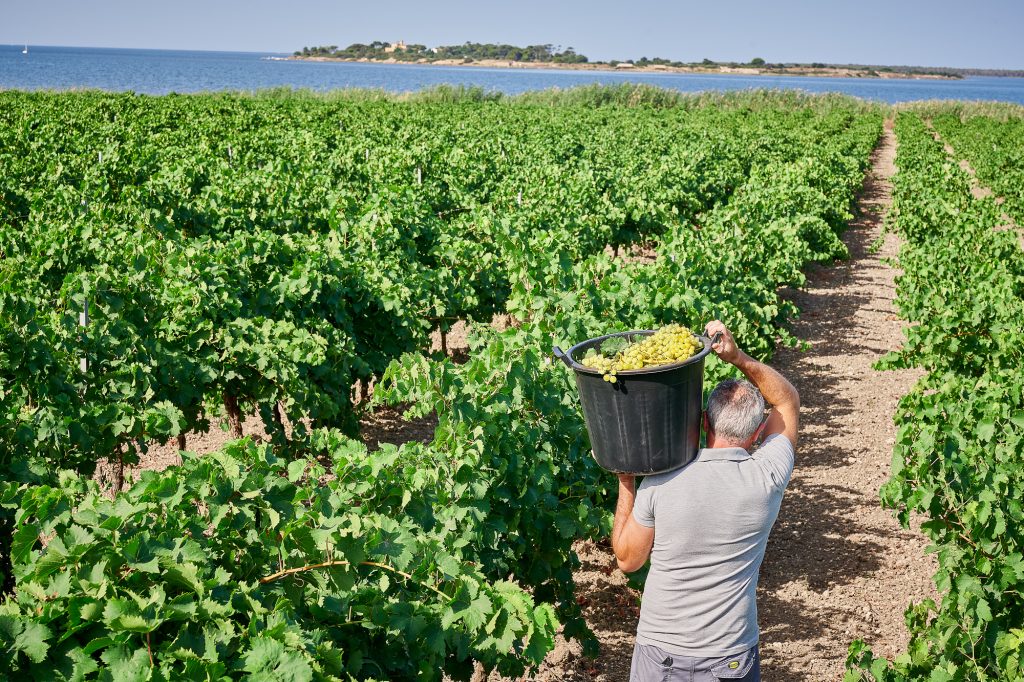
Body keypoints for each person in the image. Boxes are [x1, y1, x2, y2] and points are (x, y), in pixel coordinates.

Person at [612, 321, 800, 682]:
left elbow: (628, 560)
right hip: (730, 657)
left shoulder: (661, 480)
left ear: (703, 423)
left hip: (660, 653)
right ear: (758, 433)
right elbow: (787, 399)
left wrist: (626, 482)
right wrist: (737, 356)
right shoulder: (768, 478)